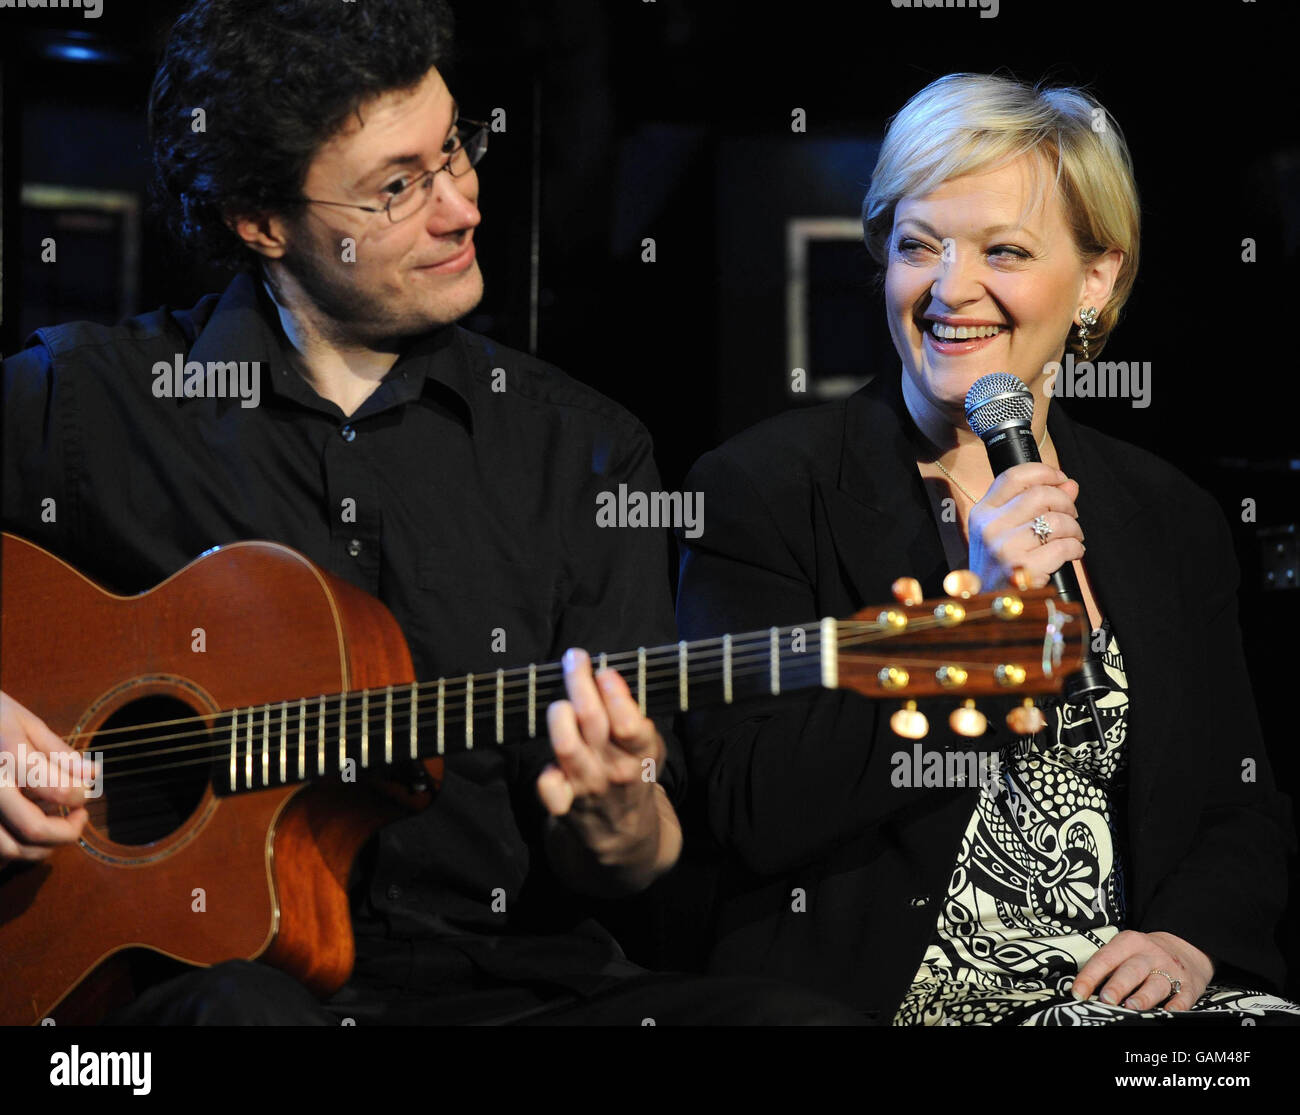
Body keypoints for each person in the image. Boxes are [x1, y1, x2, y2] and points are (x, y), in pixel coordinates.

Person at [0, 0, 862, 1026]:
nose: (462, 206)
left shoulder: (584, 450)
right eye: (397, 188)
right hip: (192, 987)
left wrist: (621, 815)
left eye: (453, 149)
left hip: (512, 990)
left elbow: (633, 862)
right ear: (260, 220)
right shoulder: (83, 403)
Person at [675, 72, 1300, 1025]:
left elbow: (1238, 804)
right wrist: (971, 622)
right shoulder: (764, 489)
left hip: (1121, 995)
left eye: (1003, 250)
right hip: (891, 995)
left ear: (1097, 279)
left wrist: (1186, 938)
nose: (950, 289)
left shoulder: (1169, 514)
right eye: (919, 245)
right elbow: (747, 805)